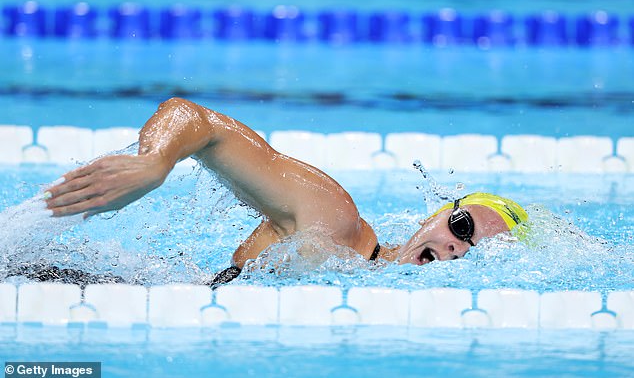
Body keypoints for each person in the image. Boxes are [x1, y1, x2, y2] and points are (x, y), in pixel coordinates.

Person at [44, 97, 528, 286]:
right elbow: (198, 120)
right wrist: (155, 162)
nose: (451, 248)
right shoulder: (335, 221)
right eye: (461, 227)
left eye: (470, 252)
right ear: (436, 215)